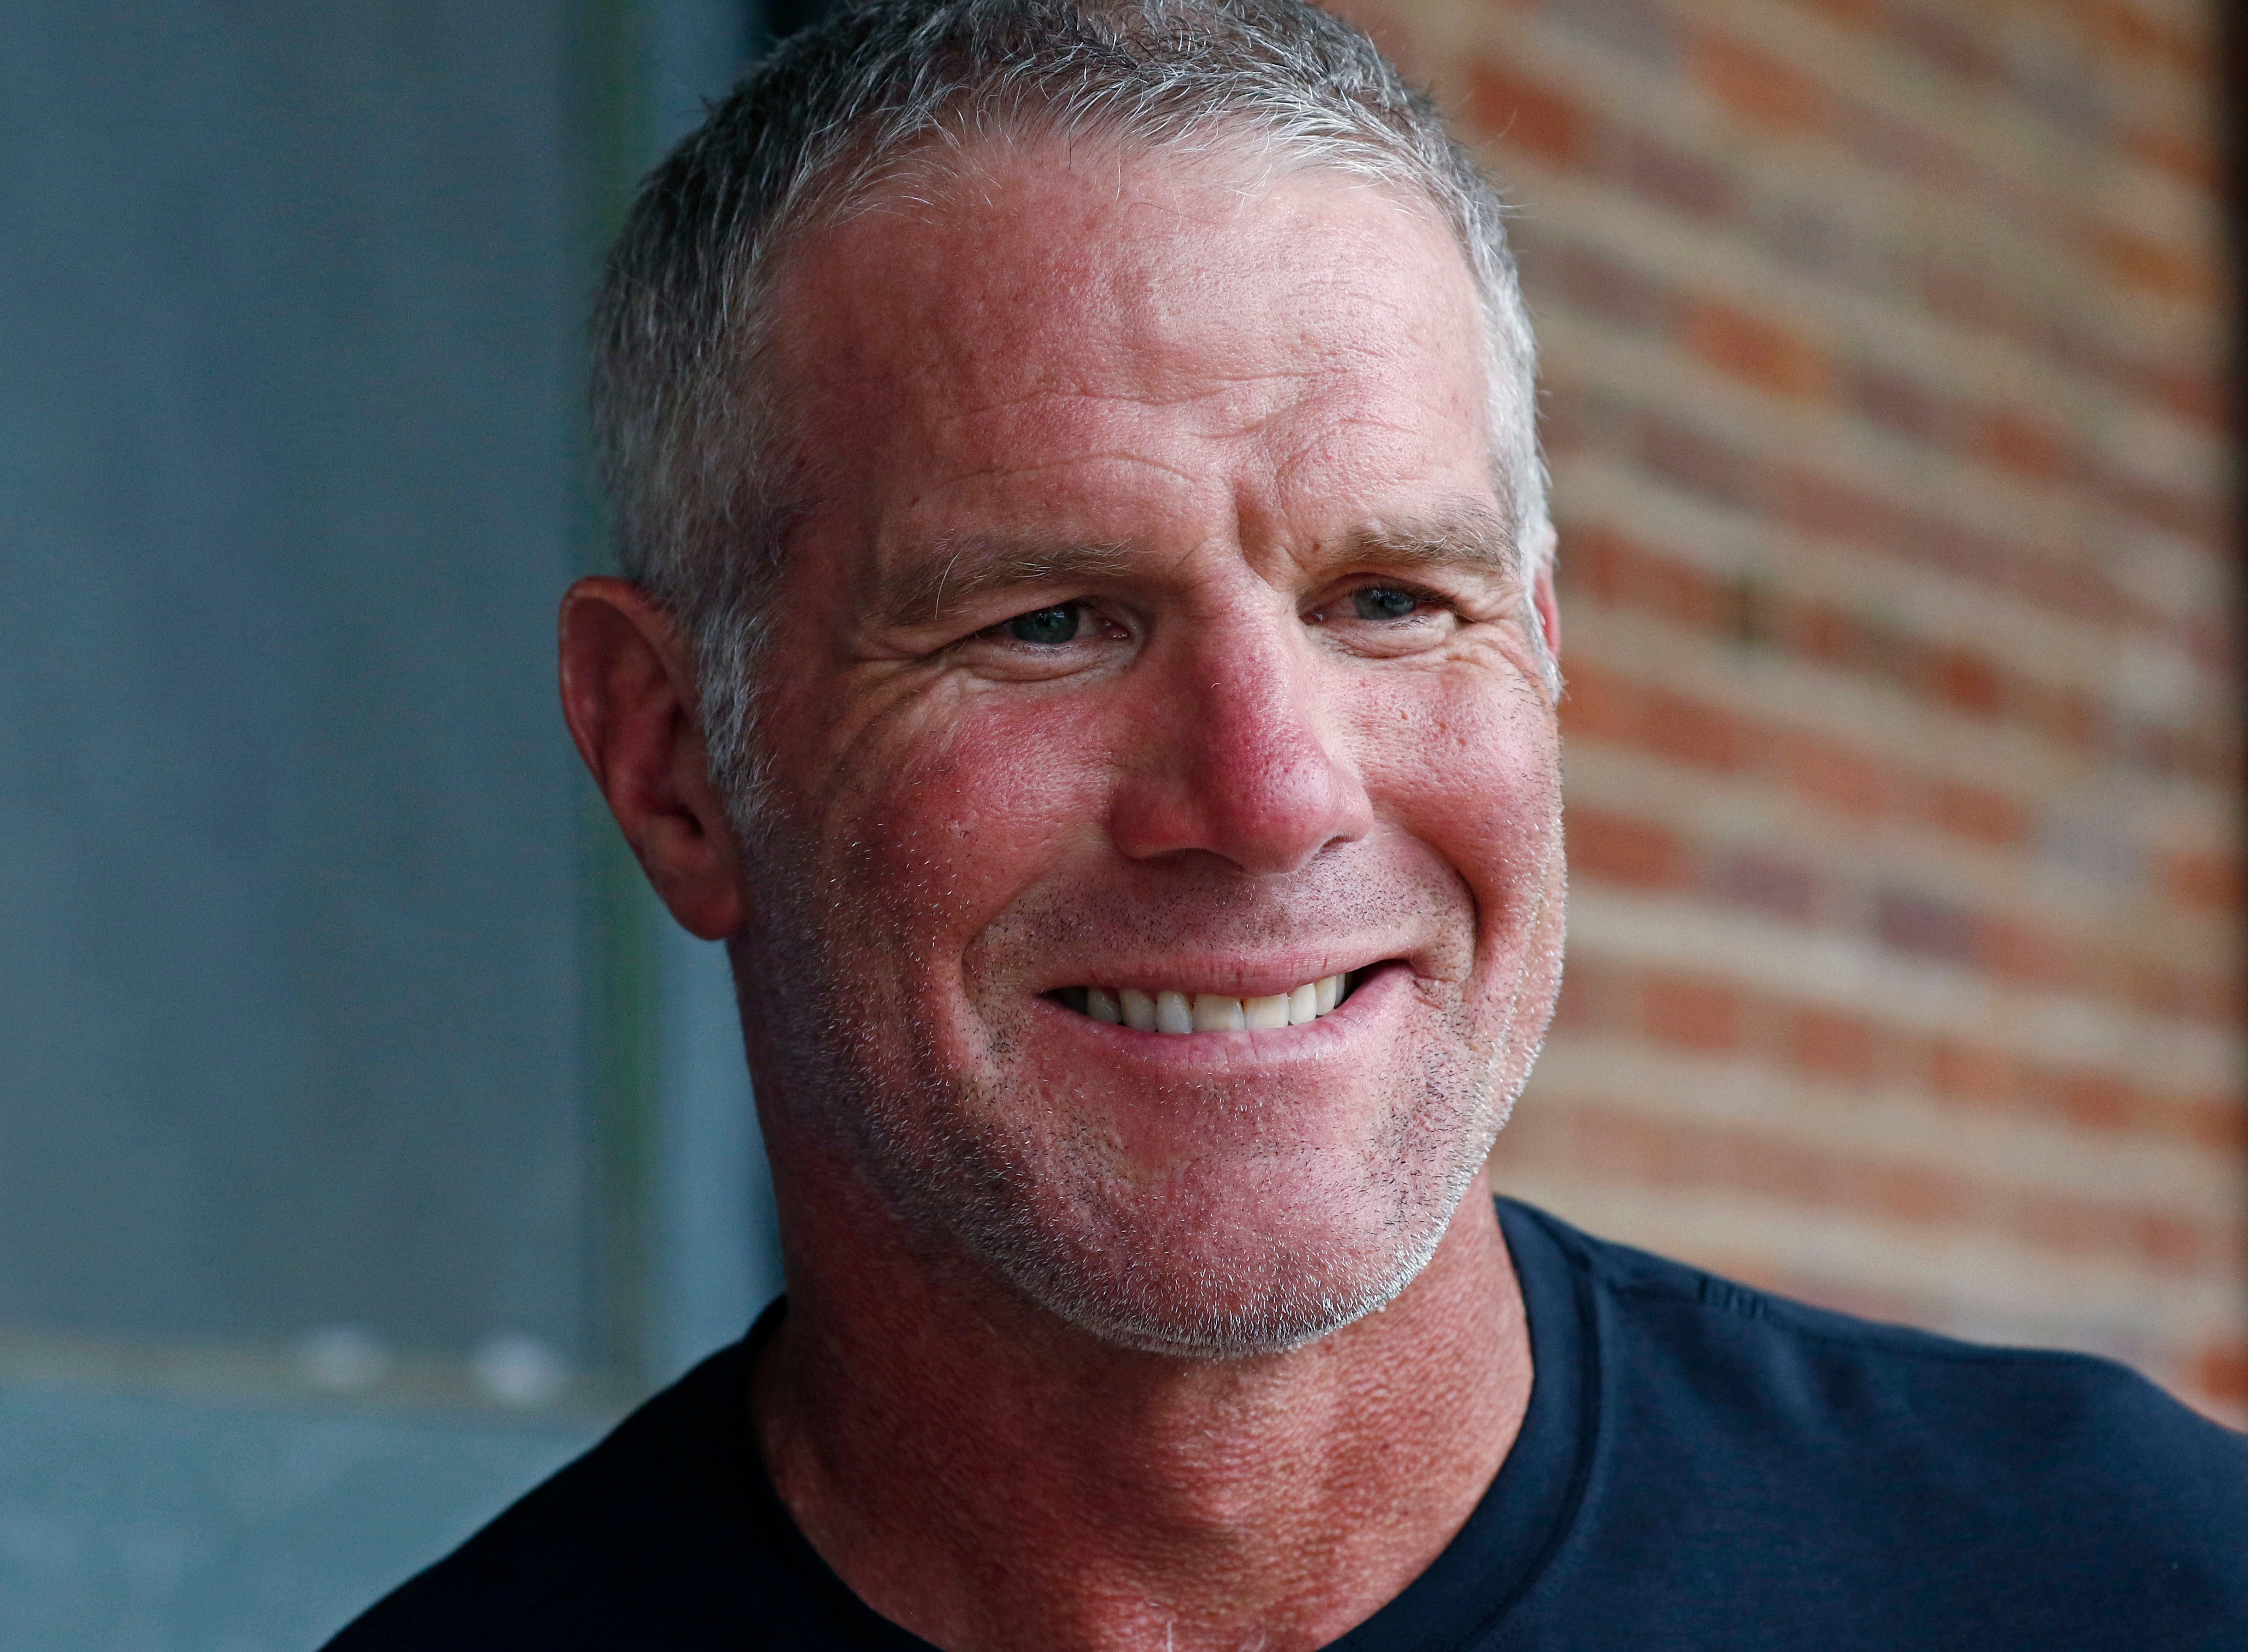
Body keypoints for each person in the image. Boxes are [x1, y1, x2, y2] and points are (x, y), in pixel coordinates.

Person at [326, 1, 2248, 1646]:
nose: (1270, 793)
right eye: (1048, 619)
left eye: (1393, 599)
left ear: (1546, 659)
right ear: (670, 760)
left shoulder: (2133, 1583)